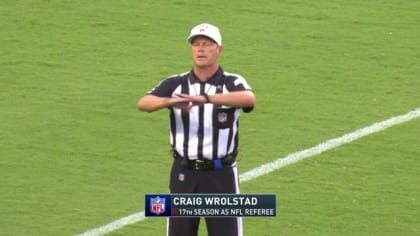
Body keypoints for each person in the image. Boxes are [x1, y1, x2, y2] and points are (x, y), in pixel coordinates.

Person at [137, 23, 256, 236]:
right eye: (196, 44)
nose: (200, 49)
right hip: (184, 173)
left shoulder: (231, 82)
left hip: (221, 175)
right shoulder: (176, 84)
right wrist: (170, 102)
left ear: (219, 49)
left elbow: (249, 99)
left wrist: (205, 99)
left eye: (207, 44)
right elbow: (144, 103)